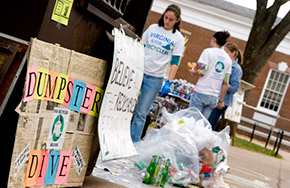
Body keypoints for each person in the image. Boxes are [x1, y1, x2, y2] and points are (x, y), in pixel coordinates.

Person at [131, 4, 184, 143]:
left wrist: (169, 81)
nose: (167, 21)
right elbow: (141, 46)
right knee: (127, 106)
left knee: (141, 113)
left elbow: (175, 61)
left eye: (171, 19)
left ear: (177, 21)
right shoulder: (153, 28)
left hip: (154, 79)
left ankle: (133, 141)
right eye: (166, 17)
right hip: (140, 70)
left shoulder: (177, 38)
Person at [188, 31, 232, 120]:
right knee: (202, 124)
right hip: (214, 96)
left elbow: (202, 71)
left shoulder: (207, 52)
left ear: (214, 39)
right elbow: (225, 83)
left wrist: (193, 71)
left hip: (201, 91)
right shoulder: (228, 59)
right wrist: (221, 101)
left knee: (191, 121)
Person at [208, 42, 243, 130]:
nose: (224, 54)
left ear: (233, 53)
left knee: (210, 124)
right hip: (213, 96)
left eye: (226, 52)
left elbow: (234, 88)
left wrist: (224, 84)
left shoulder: (237, 69)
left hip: (223, 102)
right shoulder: (222, 63)